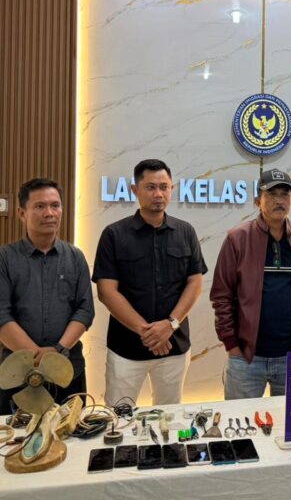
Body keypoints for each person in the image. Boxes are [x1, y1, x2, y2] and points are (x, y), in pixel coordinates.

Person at [93, 159, 206, 405]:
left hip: (174, 346)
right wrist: (148, 333)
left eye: (164, 187)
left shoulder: (185, 232)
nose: (158, 194)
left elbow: (195, 283)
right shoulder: (114, 234)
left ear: (172, 189)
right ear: (135, 190)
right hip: (126, 349)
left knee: (169, 415)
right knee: (118, 415)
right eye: (151, 187)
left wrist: (170, 325)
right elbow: (107, 292)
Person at [210, 168, 291, 399]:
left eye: (285, 194)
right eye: (271, 194)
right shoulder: (238, 238)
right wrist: (232, 345)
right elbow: (221, 296)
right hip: (247, 359)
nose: (279, 200)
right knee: (241, 419)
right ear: (258, 201)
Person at [0, 178, 94, 414]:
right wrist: (37, 357)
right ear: (21, 213)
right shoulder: (4, 259)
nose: (49, 213)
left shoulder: (75, 257)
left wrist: (58, 350)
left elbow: (85, 311)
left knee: (72, 433)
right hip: (17, 373)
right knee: (17, 435)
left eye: (55, 205)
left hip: (68, 370)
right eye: (40, 206)